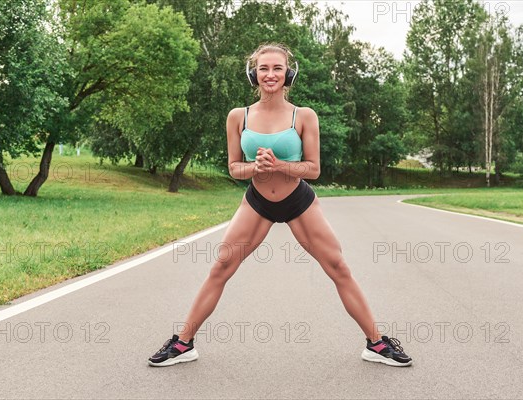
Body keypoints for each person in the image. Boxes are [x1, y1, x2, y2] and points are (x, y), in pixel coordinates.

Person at [148, 43, 412, 368]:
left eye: (277, 68)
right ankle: (183, 343)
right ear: (253, 74)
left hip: (298, 201)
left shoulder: (304, 116)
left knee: (338, 267)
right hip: (257, 202)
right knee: (221, 267)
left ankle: (376, 343)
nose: (270, 74)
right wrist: (255, 169)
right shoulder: (237, 116)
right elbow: (234, 168)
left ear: (289, 73)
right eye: (263, 68)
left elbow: (313, 169)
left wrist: (280, 166)